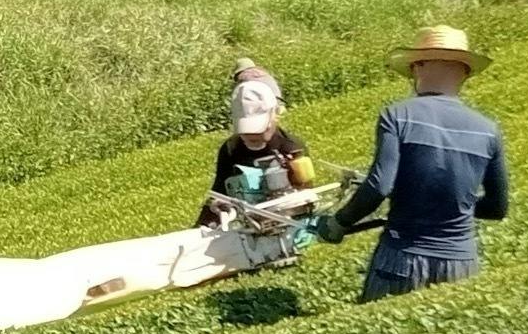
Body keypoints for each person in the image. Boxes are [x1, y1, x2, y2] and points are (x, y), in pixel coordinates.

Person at [314, 26, 508, 298]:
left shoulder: (398, 116)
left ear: (418, 67)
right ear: (464, 72)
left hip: (402, 258)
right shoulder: (487, 129)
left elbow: (379, 186)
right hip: (462, 265)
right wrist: (454, 203)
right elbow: (497, 208)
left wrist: (337, 224)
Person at [198, 58, 316, 226]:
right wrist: (201, 227)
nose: (252, 137)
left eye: (259, 130)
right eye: (246, 132)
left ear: (275, 116)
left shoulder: (291, 147)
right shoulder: (231, 149)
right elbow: (219, 193)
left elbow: (305, 196)